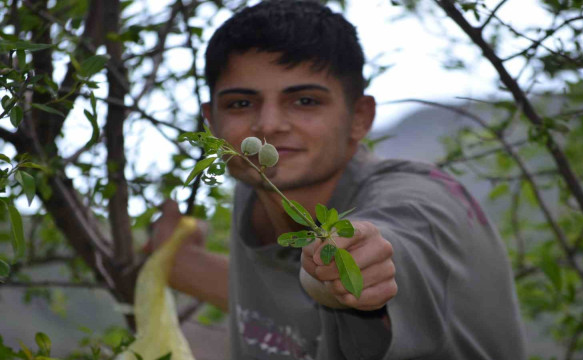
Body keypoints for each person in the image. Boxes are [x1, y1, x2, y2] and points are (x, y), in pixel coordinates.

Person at [149, 1, 526, 359]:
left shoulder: (425, 199)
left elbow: (391, 247)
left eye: (306, 101)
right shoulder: (257, 189)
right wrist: (179, 261)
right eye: (241, 104)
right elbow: (280, 303)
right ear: (211, 122)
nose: (268, 125)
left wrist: (343, 269)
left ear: (359, 117)